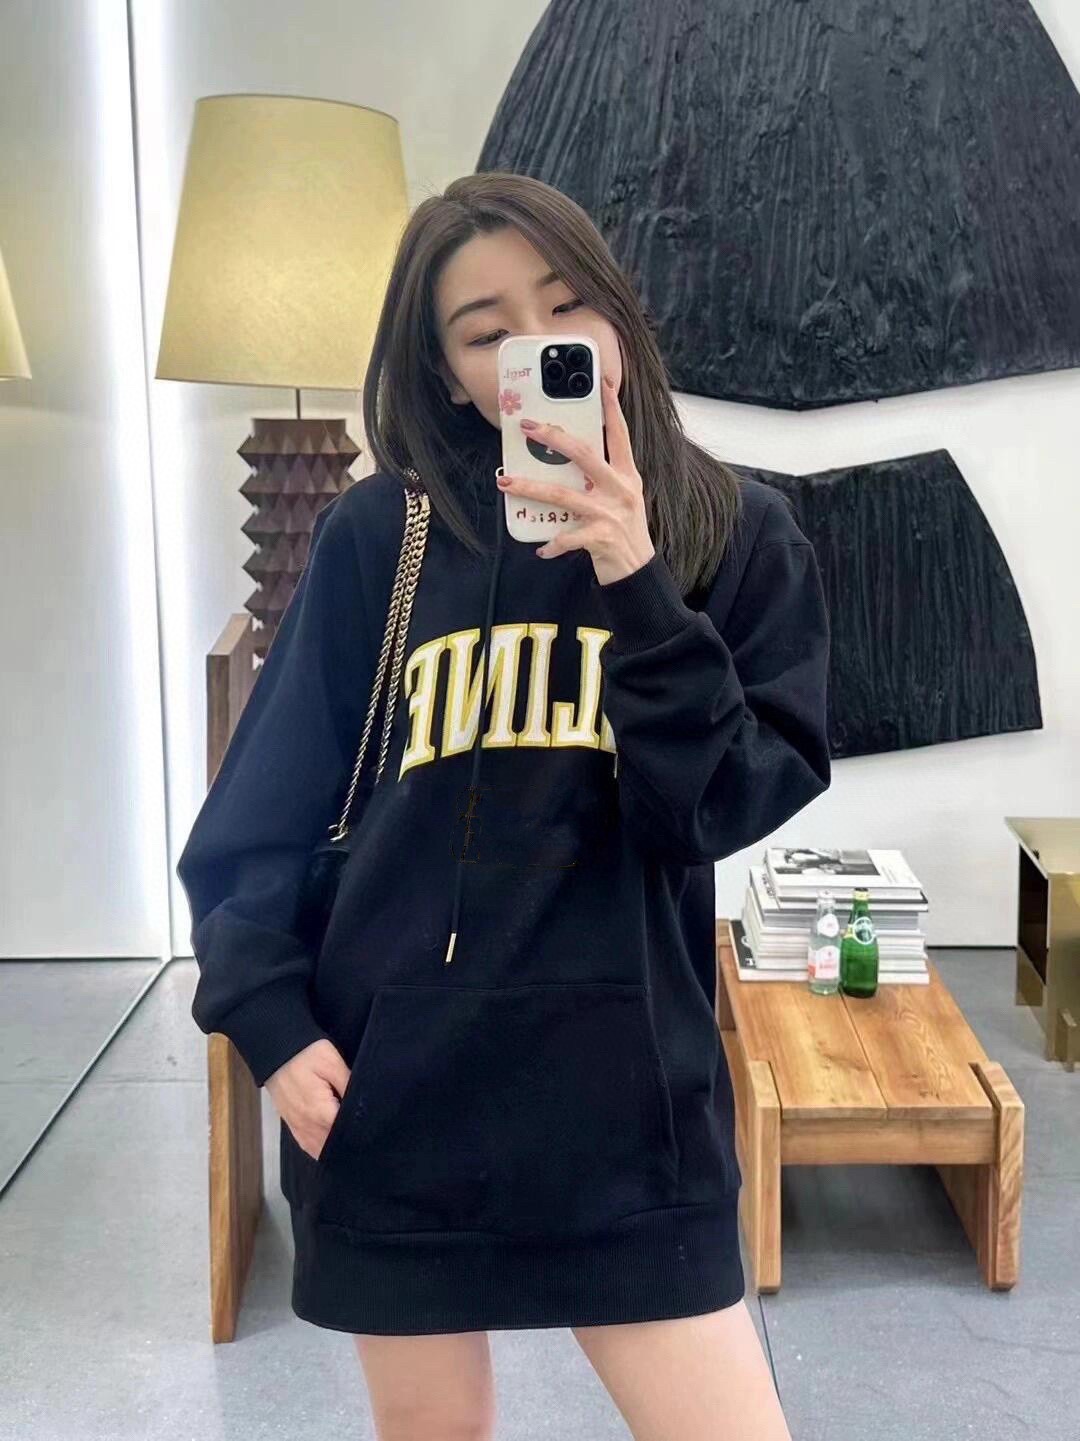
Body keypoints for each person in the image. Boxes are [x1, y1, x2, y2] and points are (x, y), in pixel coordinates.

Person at [176, 171, 831, 1441]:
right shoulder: (384, 537)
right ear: (448, 370)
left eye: (566, 305)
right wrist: (270, 1024)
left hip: (629, 1111)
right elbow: (258, 815)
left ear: (618, 317)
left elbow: (714, 808)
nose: (536, 346)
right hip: (394, 1098)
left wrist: (636, 577)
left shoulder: (738, 534)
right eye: (486, 332)